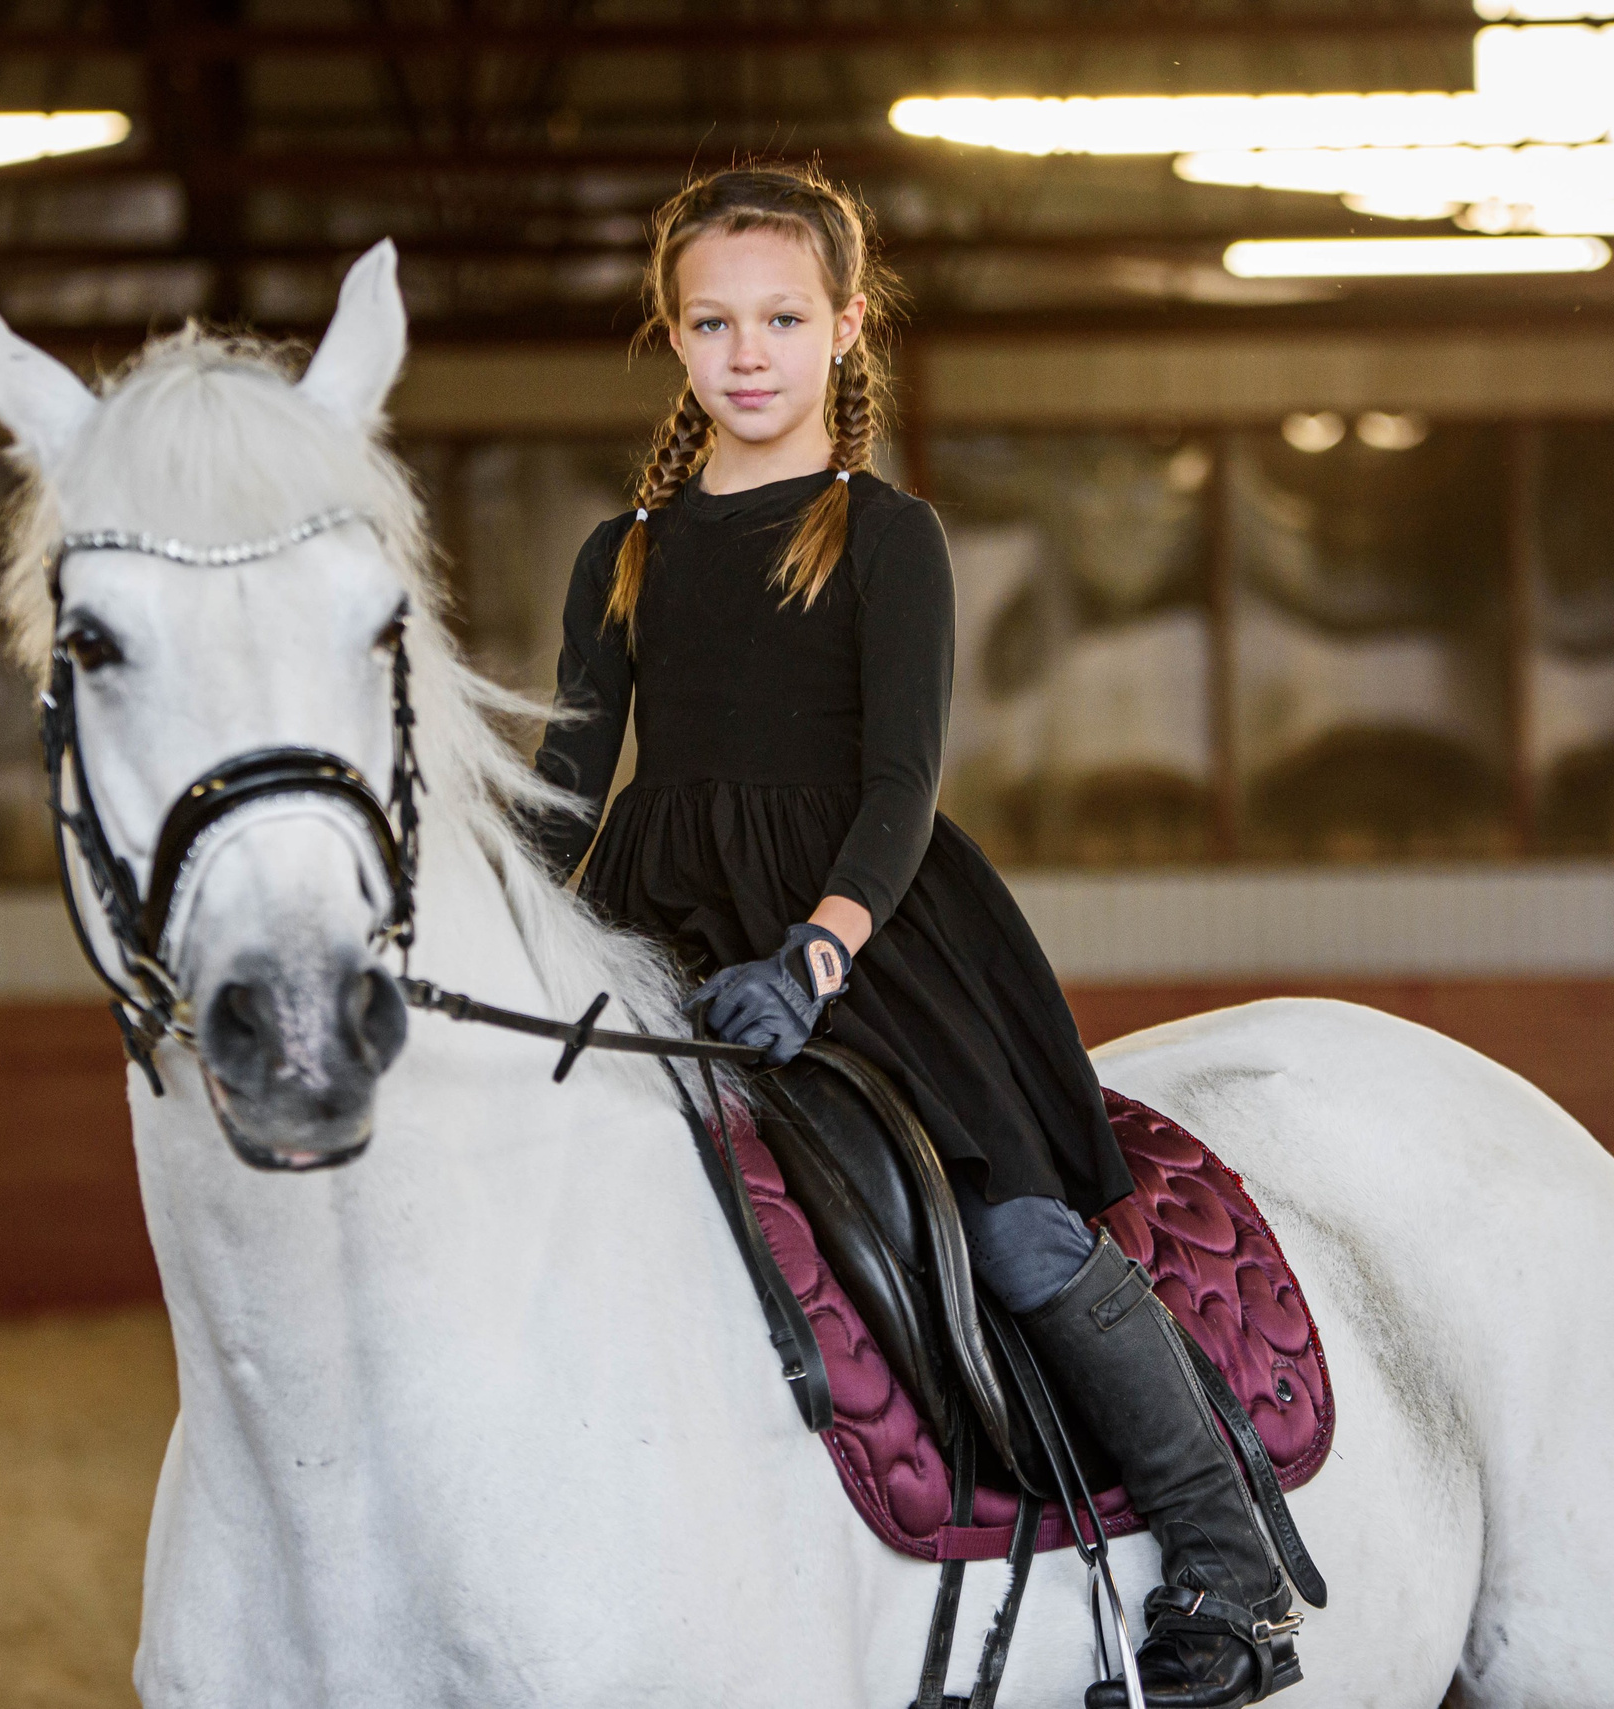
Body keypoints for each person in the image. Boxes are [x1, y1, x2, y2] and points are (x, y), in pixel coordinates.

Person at [530, 163, 1303, 1709]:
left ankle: (1229, 1559)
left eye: (781, 318)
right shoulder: (622, 552)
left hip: (869, 940)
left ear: (844, 326)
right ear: (673, 341)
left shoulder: (884, 539)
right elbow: (565, 783)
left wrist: (814, 955)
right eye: (711, 321)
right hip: (660, 929)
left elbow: (899, 785)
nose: (747, 352)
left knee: (1011, 1229)